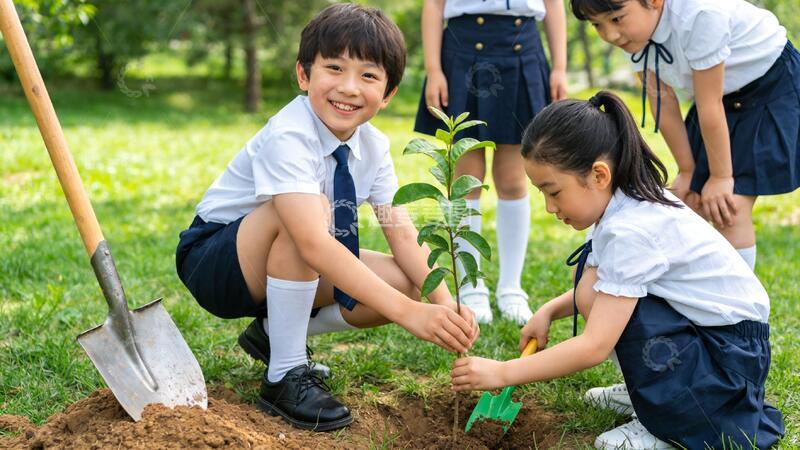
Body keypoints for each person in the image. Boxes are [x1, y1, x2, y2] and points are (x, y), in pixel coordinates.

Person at [176, 3, 478, 432]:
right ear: (304, 75)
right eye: (334, 68)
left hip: (285, 261)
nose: (349, 88)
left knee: (405, 283)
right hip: (217, 260)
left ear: (389, 93)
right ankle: (284, 374)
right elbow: (313, 243)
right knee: (309, 216)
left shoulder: (373, 146)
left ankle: (273, 333)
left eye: (369, 76)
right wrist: (410, 315)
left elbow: (401, 233)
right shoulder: (290, 133)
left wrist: (445, 307)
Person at [450, 92, 784, 449]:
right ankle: (652, 391)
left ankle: (670, 419)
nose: (549, 207)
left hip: (725, 366)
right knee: (591, 286)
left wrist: (503, 373)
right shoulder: (626, 203)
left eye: (553, 191)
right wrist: (549, 310)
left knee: (596, 294)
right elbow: (607, 286)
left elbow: (594, 346)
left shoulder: (632, 231)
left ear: (598, 174)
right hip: (718, 343)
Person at [570, 0, 799, 424]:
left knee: (729, 208)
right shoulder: (634, 32)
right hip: (720, 103)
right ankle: (661, 370)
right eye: (598, 26)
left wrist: (721, 178)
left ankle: (731, 330)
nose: (611, 35)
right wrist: (689, 170)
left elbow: (708, 105)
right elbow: (663, 100)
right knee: (691, 202)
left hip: (767, 90)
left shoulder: (700, 17)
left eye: (616, 19)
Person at [414, 0, 568, 325]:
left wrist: (559, 67)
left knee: (513, 180)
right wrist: (433, 70)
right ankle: (470, 287)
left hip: (521, 48)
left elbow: (553, 5)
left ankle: (511, 288)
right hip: (463, 47)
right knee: (467, 177)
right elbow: (433, 5)